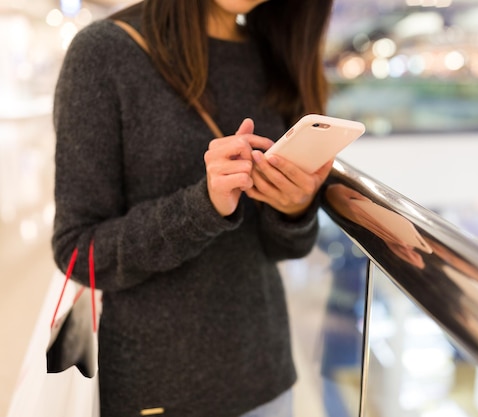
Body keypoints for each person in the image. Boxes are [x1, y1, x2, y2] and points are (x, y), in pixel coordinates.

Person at [51, 0, 335, 416]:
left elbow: (282, 251)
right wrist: (202, 208)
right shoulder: (105, 52)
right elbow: (78, 251)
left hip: (267, 379)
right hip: (155, 392)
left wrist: (295, 209)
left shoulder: (277, 55)